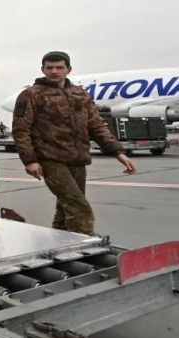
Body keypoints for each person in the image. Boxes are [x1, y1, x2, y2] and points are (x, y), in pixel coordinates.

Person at [12, 50, 136, 235]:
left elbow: (96, 125)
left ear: (68, 69)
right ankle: (87, 244)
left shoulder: (80, 94)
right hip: (51, 160)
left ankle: (59, 239)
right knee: (78, 206)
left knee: (66, 206)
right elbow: (21, 130)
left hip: (77, 160)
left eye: (59, 67)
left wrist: (119, 153)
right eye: (50, 67)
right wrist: (30, 161)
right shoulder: (30, 95)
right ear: (43, 69)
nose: (54, 71)